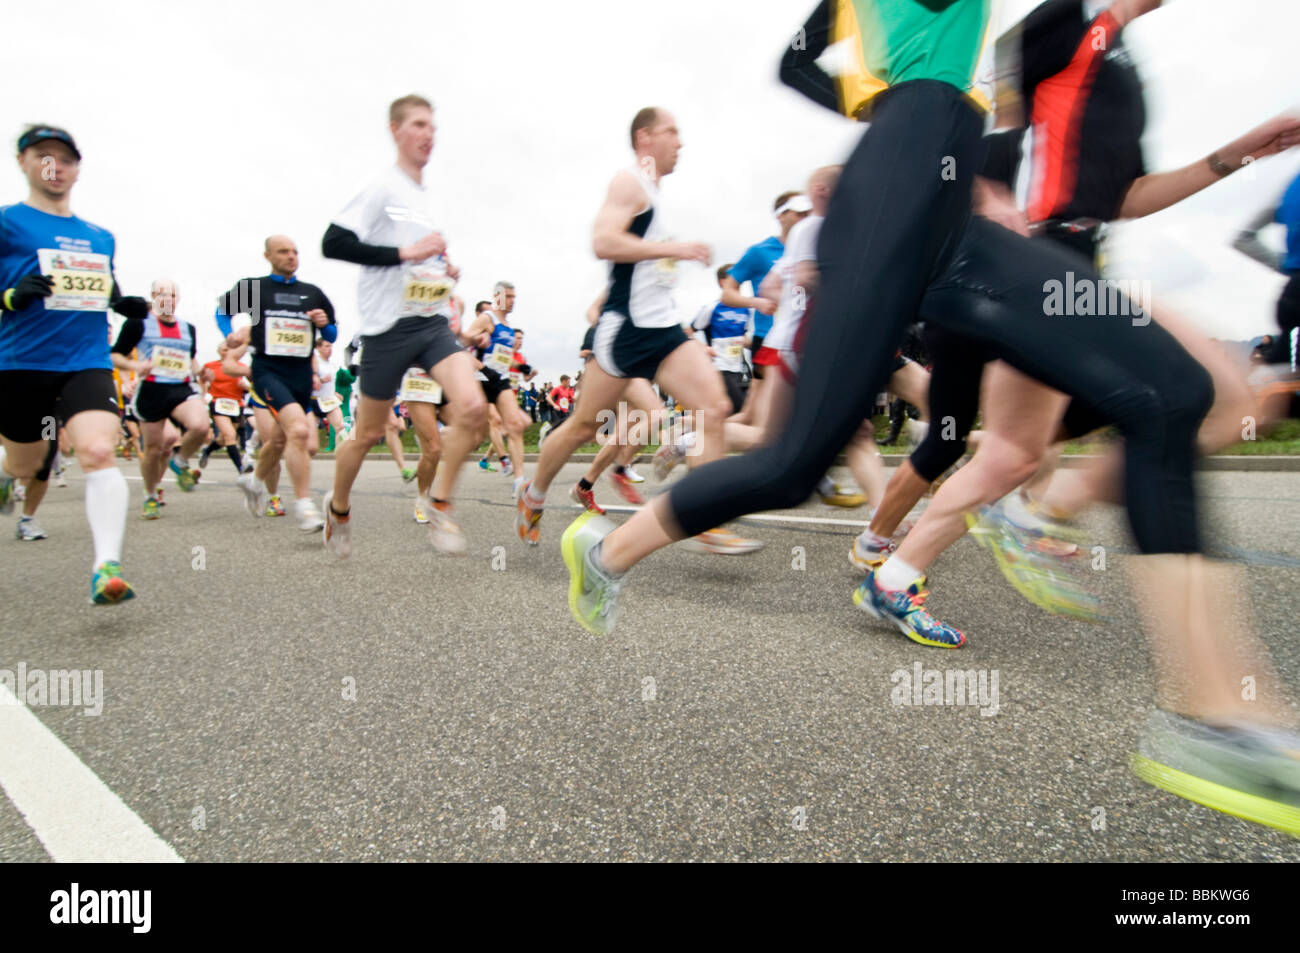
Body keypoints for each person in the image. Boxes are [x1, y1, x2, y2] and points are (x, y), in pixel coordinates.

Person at [559, 0, 1300, 837]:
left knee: (1173, 394)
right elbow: (801, 61)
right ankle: (608, 545)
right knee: (791, 464)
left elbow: (801, 61)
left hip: (950, 210)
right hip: (892, 190)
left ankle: (1215, 719)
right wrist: (891, 115)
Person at [518, 107, 760, 555]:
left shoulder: (658, 196)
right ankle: (533, 495)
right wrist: (674, 248)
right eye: (672, 132)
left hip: (664, 328)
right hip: (624, 329)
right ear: (645, 138)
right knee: (584, 426)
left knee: (714, 405)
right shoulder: (629, 182)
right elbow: (603, 242)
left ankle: (702, 515)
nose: (680, 142)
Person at [320, 93, 487, 556]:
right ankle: (337, 506)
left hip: (431, 323)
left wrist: (443, 267)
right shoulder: (380, 187)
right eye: (417, 125)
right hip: (386, 330)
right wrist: (406, 254)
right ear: (395, 130)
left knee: (473, 409)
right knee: (368, 434)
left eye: (432, 126)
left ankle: (439, 504)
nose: (427, 134)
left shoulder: (424, 199)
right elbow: (333, 242)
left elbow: (422, 253)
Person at [0, 124, 149, 603]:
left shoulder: (99, 236)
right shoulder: (7, 223)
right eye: (42, 156)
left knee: (99, 452)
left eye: (64, 159)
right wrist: (10, 296)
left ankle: (106, 567)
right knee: (27, 462)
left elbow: (103, 289)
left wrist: (126, 308)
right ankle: (10, 477)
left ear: (77, 170)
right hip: (22, 365)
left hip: (85, 362)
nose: (54, 166)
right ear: (23, 162)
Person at [219, 234, 337, 530]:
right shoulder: (254, 288)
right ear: (268, 256)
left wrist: (325, 324)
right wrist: (229, 333)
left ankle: (255, 480)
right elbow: (222, 312)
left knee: (283, 439)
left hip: (300, 375)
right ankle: (304, 507)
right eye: (283, 251)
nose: (291, 256)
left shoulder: (312, 292)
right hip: (268, 371)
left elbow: (332, 334)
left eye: (295, 251)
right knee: (297, 430)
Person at [111, 279, 208, 519]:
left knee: (200, 426)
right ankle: (150, 494)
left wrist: (201, 371)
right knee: (154, 450)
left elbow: (191, 360)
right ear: (153, 297)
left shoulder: (188, 328)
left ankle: (180, 460)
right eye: (163, 294)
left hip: (180, 389)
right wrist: (136, 366)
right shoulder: (137, 325)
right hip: (151, 392)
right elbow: (115, 356)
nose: (169, 299)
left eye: (174, 295)